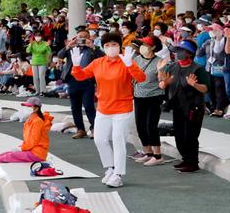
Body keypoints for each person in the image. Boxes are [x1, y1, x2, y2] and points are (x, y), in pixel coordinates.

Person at [69, 31, 147, 187]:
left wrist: (130, 65)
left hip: (122, 108)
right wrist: (76, 65)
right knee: (99, 139)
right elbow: (81, 76)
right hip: (104, 107)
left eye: (114, 45)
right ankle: (110, 168)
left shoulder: (126, 61)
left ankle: (118, 174)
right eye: (107, 45)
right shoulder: (98, 63)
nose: (111, 48)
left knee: (119, 140)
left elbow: (141, 78)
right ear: (103, 47)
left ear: (119, 46)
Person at [158, 39, 211, 173]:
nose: (178, 53)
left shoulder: (198, 69)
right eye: (178, 51)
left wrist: (195, 85)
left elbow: (205, 89)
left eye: (182, 51)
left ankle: (193, 162)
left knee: (191, 135)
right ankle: (186, 159)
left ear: (190, 53)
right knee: (179, 135)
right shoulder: (172, 66)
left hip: (194, 107)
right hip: (177, 106)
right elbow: (161, 82)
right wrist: (164, 83)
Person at [0, 97, 53, 168]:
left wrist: (21, 148)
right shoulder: (32, 119)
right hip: (33, 150)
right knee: (8, 153)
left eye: (29, 106)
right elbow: (30, 140)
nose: (26, 108)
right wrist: (21, 147)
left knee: (10, 155)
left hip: (37, 153)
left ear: (36, 108)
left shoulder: (37, 121)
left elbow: (33, 140)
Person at [131, 37, 167, 166]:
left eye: (146, 44)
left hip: (154, 96)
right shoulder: (136, 59)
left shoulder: (160, 61)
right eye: (142, 44)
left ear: (153, 47)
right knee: (140, 124)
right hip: (138, 95)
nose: (143, 46)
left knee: (151, 125)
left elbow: (162, 80)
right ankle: (148, 153)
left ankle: (158, 155)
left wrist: (161, 70)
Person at [59, 29, 97, 139]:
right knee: (75, 107)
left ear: (89, 38)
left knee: (89, 106)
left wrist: (93, 47)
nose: (82, 39)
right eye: (80, 37)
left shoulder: (92, 49)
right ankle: (80, 129)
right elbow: (60, 55)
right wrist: (68, 46)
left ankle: (94, 128)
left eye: (85, 37)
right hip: (73, 80)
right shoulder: (72, 48)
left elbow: (102, 57)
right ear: (76, 37)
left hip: (88, 80)